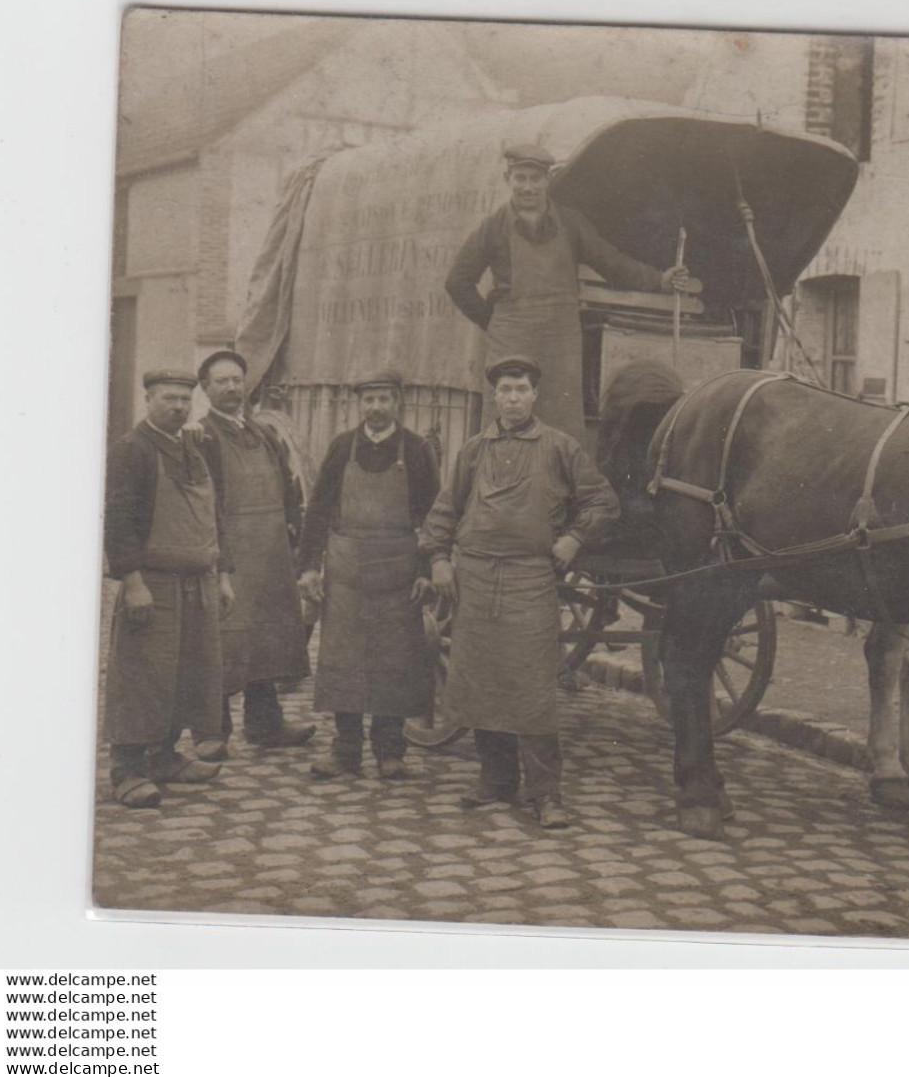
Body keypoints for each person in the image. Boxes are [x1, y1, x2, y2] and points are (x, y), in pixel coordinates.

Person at [419, 354, 620, 828]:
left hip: (530, 577)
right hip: (475, 576)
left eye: (521, 390)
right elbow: (445, 509)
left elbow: (603, 501)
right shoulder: (474, 450)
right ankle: (496, 780)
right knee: (480, 679)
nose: (513, 399)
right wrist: (439, 558)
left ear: (535, 395)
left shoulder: (560, 447)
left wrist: (575, 538)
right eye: (505, 390)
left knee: (531, 686)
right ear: (495, 396)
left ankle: (546, 793)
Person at [443, 139, 696, 437]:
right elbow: (457, 281)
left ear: (547, 180)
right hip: (511, 339)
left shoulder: (570, 222)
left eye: (535, 179)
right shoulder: (493, 227)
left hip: (560, 339)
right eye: (520, 178)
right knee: (508, 419)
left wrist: (659, 280)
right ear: (507, 179)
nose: (527, 187)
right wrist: (493, 321)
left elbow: (611, 262)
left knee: (561, 424)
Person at [296, 369, 441, 780]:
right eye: (369, 400)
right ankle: (345, 749)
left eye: (384, 399)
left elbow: (434, 516)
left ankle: (390, 750)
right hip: (346, 570)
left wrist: (427, 570)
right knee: (343, 659)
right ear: (359, 404)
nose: (376, 407)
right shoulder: (342, 446)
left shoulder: (417, 449)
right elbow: (317, 509)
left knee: (394, 660)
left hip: (398, 571)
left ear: (397, 403)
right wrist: (309, 567)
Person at [101, 369, 234, 808]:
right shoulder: (132, 449)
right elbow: (118, 522)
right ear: (148, 400)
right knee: (143, 675)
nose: (178, 407)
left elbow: (215, 516)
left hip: (199, 580)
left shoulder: (195, 447)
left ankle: (164, 757)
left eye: (184, 400)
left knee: (187, 673)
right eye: (168, 399)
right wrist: (133, 582)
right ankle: (127, 770)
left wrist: (223, 574)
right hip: (153, 582)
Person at [195, 351, 315, 758]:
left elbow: (289, 490)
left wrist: (295, 538)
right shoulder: (202, 437)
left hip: (270, 553)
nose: (232, 388)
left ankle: (266, 724)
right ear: (206, 389)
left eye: (237, 380)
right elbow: (203, 503)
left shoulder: (263, 433)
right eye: (222, 381)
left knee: (267, 638)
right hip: (230, 554)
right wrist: (218, 557)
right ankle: (213, 732)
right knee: (224, 641)